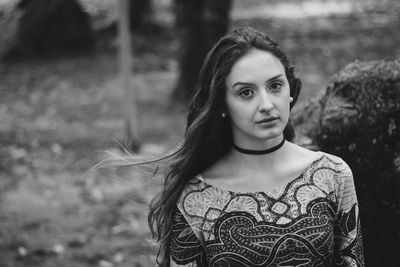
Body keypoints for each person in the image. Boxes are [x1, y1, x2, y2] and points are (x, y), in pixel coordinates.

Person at [116, 27, 364, 266]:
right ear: (222, 104)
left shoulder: (332, 174)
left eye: (275, 86)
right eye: (246, 92)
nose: (266, 104)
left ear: (289, 90)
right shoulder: (194, 198)